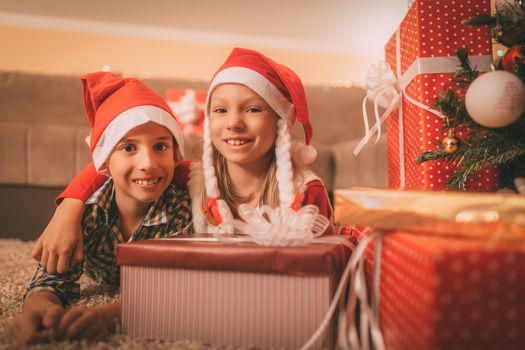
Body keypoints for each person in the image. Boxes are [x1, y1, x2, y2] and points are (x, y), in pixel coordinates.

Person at [32, 47, 334, 274]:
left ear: (280, 122)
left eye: (253, 110)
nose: (234, 123)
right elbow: (115, 167)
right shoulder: (196, 179)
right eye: (220, 110)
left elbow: (323, 271)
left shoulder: (305, 192)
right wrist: (68, 209)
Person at [8, 72, 192, 345]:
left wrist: (111, 316)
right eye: (129, 147)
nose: (148, 163)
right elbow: (50, 281)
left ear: (175, 154)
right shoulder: (87, 215)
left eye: (160, 146)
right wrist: (40, 312)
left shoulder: (182, 210)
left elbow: (181, 292)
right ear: (104, 162)